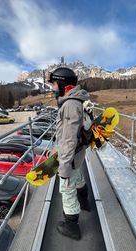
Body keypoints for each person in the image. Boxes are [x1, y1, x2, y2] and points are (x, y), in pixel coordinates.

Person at [48, 67, 91, 240]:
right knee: (78, 176)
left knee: (67, 190)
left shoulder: (69, 105)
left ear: (64, 85)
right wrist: (57, 148)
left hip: (70, 156)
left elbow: (68, 140)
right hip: (78, 155)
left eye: (54, 84)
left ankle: (72, 227)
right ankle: (85, 203)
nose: (52, 89)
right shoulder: (77, 100)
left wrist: (63, 168)